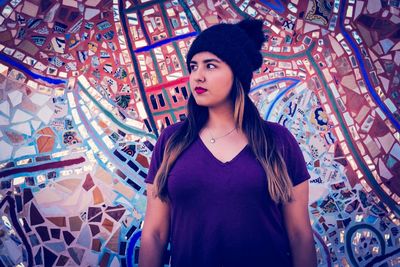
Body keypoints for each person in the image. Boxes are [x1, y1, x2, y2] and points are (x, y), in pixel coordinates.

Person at [139, 19, 317, 267]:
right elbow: (154, 235)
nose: (198, 76)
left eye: (210, 66)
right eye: (193, 66)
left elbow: (299, 235)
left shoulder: (278, 141)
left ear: (237, 74)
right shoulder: (171, 141)